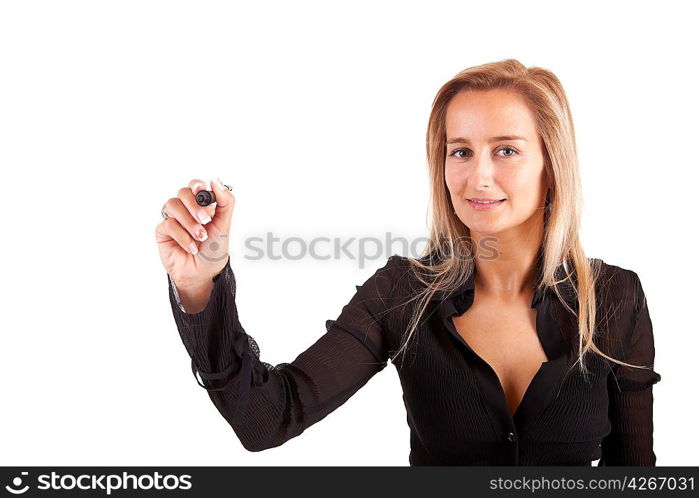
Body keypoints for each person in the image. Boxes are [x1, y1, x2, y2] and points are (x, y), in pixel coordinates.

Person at [153, 58, 661, 465]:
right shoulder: (403, 293)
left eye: (505, 150)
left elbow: (635, 475)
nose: (477, 177)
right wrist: (202, 288)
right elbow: (266, 420)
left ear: (552, 165)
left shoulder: (615, 298)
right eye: (459, 151)